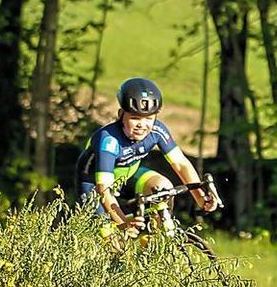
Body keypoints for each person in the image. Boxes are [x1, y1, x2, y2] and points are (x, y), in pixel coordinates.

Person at [75, 77, 219, 229]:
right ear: (120, 114)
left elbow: (181, 164)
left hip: (128, 176)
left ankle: (154, 242)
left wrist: (201, 198)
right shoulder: (109, 140)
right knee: (113, 238)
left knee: (163, 189)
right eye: (135, 118)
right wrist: (123, 224)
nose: (142, 125)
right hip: (94, 185)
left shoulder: (157, 130)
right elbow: (103, 189)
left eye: (149, 118)